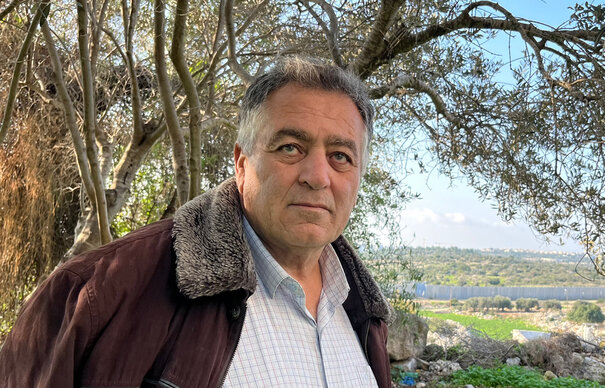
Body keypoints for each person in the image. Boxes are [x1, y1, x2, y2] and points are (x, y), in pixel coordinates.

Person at [0, 57, 393, 388]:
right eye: (290, 148)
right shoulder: (96, 295)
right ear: (242, 164)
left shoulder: (364, 315)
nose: (318, 176)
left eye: (341, 155)